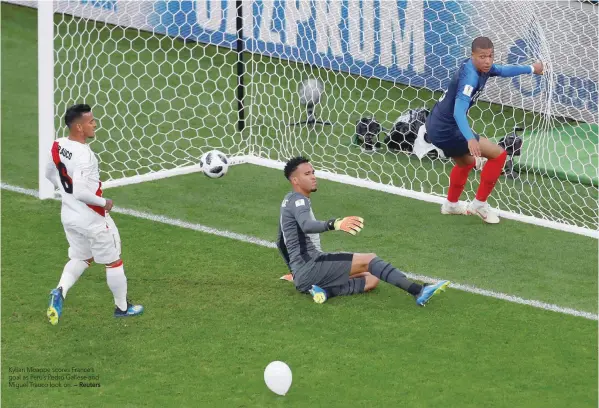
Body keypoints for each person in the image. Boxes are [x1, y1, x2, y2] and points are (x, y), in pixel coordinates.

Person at [276, 156, 450, 305]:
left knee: (373, 276)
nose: (313, 177)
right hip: (311, 266)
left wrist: (296, 273)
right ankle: (419, 291)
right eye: (307, 174)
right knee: (370, 259)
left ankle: (324, 291)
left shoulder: (287, 201)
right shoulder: (299, 201)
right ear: (295, 180)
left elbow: (280, 241)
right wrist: (335, 224)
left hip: (305, 273)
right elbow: (306, 225)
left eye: (313, 172)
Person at [426, 36, 544, 223]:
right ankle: (479, 204)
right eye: (482, 56)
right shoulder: (470, 78)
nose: (487, 61)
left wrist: (532, 68)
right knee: (499, 155)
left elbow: (504, 70)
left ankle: (451, 205)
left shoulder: (480, 68)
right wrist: (470, 139)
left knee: (467, 163)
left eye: (490, 56)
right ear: (472, 55)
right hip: (447, 128)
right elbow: (458, 111)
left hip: (434, 124)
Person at [45, 104, 143, 325]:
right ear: (79, 127)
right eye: (91, 121)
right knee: (113, 262)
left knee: (81, 257)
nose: (95, 124)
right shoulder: (85, 155)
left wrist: (63, 193)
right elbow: (80, 191)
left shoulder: (58, 145)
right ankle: (122, 308)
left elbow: (48, 173)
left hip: (69, 216)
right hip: (92, 219)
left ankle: (60, 290)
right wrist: (104, 202)